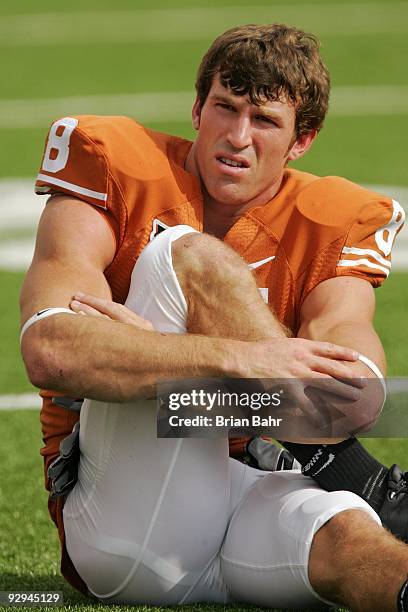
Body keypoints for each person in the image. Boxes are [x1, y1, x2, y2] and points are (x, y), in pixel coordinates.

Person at [20, 23, 408, 610]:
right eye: (226, 108)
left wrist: (162, 365)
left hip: (244, 484)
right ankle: (364, 481)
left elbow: (351, 397)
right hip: (128, 522)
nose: (238, 137)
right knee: (190, 254)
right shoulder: (115, 165)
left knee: (355, 542)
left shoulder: (335, 218)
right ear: (198, 108)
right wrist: (247, 358)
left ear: (302, 140)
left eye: (266, 121)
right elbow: (52, 349)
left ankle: (365, 500)